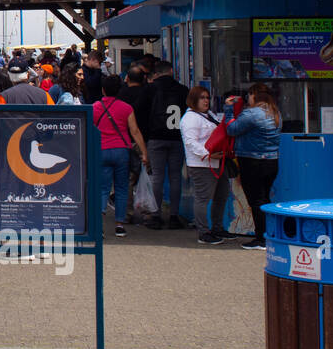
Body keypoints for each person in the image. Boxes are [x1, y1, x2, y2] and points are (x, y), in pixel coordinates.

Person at [225, 83, 281, 251]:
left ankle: (260, 238)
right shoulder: (275, 112)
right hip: (272, 161)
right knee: (265, 199)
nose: (247, 98)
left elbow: (231, 129)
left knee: (255, 201)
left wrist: (228, 109)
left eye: (249, 95)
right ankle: (269, 235)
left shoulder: (252, 114)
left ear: (255, 95)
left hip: (252, 161)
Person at [134, 61, 188, 231]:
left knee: (157, 176)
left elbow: (139, 111)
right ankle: (174, 215)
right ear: (171, 71)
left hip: (156, 137)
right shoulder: (182, 90)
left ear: (155, 74)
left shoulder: (150, 89)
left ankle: (156, 215)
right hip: (176, 137)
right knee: (175, 176)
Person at [93, 74, 148, 237]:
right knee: (122, 188)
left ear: (103, 90)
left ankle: (100, 224)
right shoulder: (126, 108)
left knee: (102, 188)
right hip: (121, 151)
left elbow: (90, 128)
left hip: (101, 150)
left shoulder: (95, 107)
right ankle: (119, 224)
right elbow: (135, 131)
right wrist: (144, 152)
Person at [182, 87, 231, 245]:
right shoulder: (190, 119)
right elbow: (190, 143)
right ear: (193, 99)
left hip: (216, 161)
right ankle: (203, 232)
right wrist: (208, 154)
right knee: (203, 198)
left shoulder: (208, 115)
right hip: (201, 164)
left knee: (221, 195)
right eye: (202, 97)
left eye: (207, 97)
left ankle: (217, 228)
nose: (206, 100)